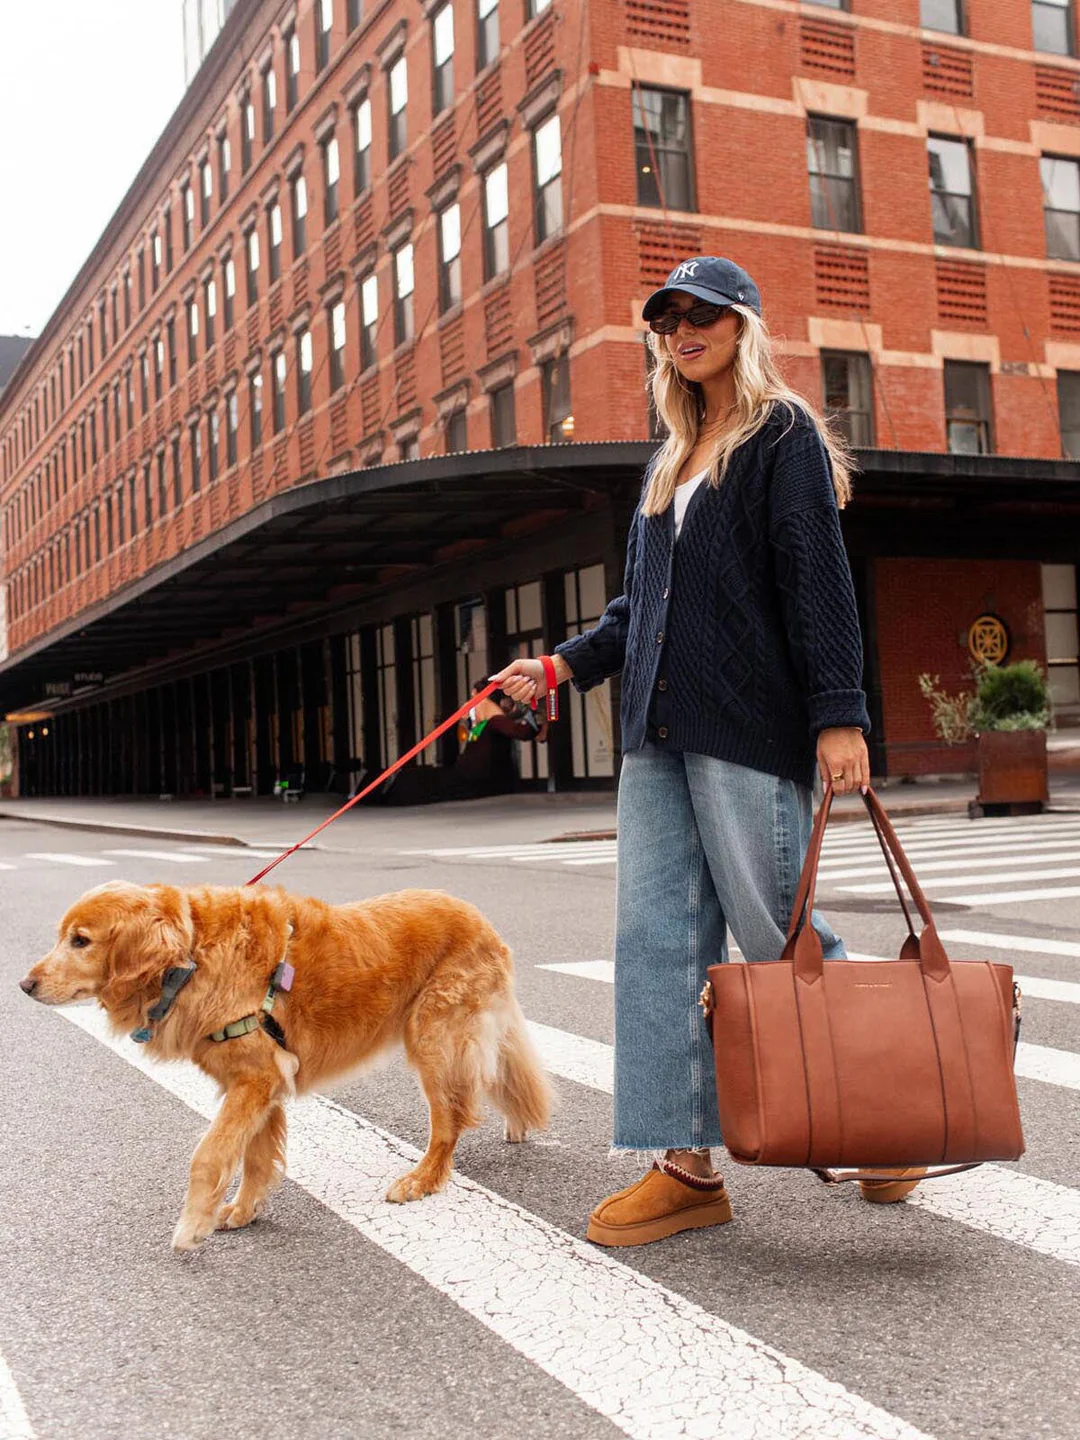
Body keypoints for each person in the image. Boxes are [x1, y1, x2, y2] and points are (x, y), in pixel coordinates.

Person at [493, 255, 921, 1248]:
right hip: (655, 736)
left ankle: (885, 1117)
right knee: (654, 942)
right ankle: (685, 1167)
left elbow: (818, 583)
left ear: (742, 325)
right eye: (667, 317)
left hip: (749, 730)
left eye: (703, 314)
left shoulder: (782, 439)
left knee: (778, 932)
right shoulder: (670, 459)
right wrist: (558, 669)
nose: (683, 329)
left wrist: (841, 715)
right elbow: (641, 611)